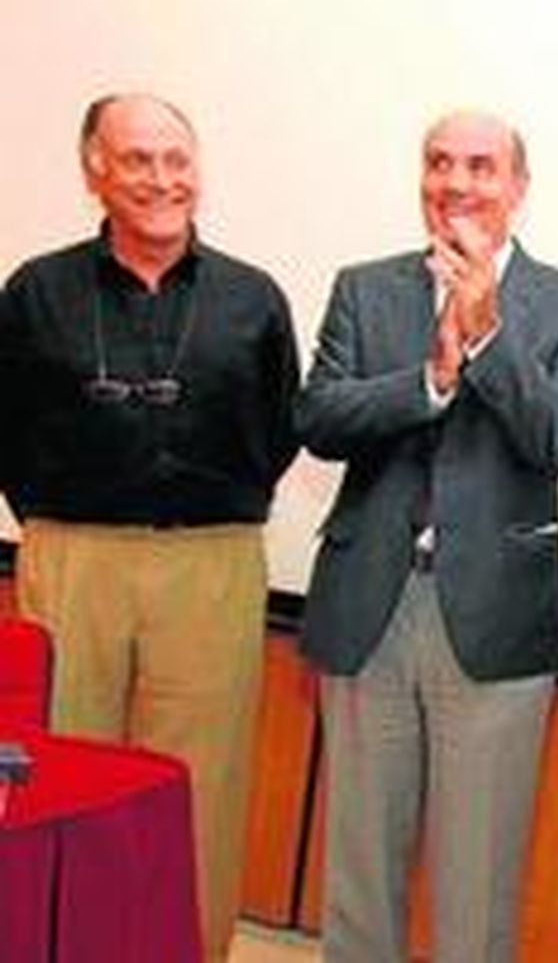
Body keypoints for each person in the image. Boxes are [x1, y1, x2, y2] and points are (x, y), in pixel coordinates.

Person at [296, 110, 558, 963]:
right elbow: (320, 416)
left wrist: (486, 336)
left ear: (517, 186)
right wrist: (433, 378)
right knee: (360, 874)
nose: (457, 182)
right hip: (370, 611)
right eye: (439, 163)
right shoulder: (366, 289)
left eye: (481, 166)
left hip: (497, 623)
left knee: (475, 892)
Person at [0, 93, 300, 962]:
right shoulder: (35, 291)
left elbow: (277, 430)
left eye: (177, 159)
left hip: (210, 561)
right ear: (95, 171)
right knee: (59, 775)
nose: (162, 180)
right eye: (137, 160)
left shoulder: (254, 298)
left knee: (200, 785)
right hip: (71, 557)